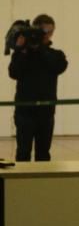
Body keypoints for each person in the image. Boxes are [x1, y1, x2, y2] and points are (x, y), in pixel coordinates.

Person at [8, 14, 67, 162]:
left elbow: (58, 66)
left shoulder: (56, 54)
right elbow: (13, 73)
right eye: (42, 31)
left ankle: (41, 185)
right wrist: (21, 49)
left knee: (43, 153)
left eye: (49, 31)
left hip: (46, 112)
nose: (46, 35)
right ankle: (20, 185)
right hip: (24, 111)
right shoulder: (22, 53)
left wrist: (39, 48)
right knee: (23, 152)